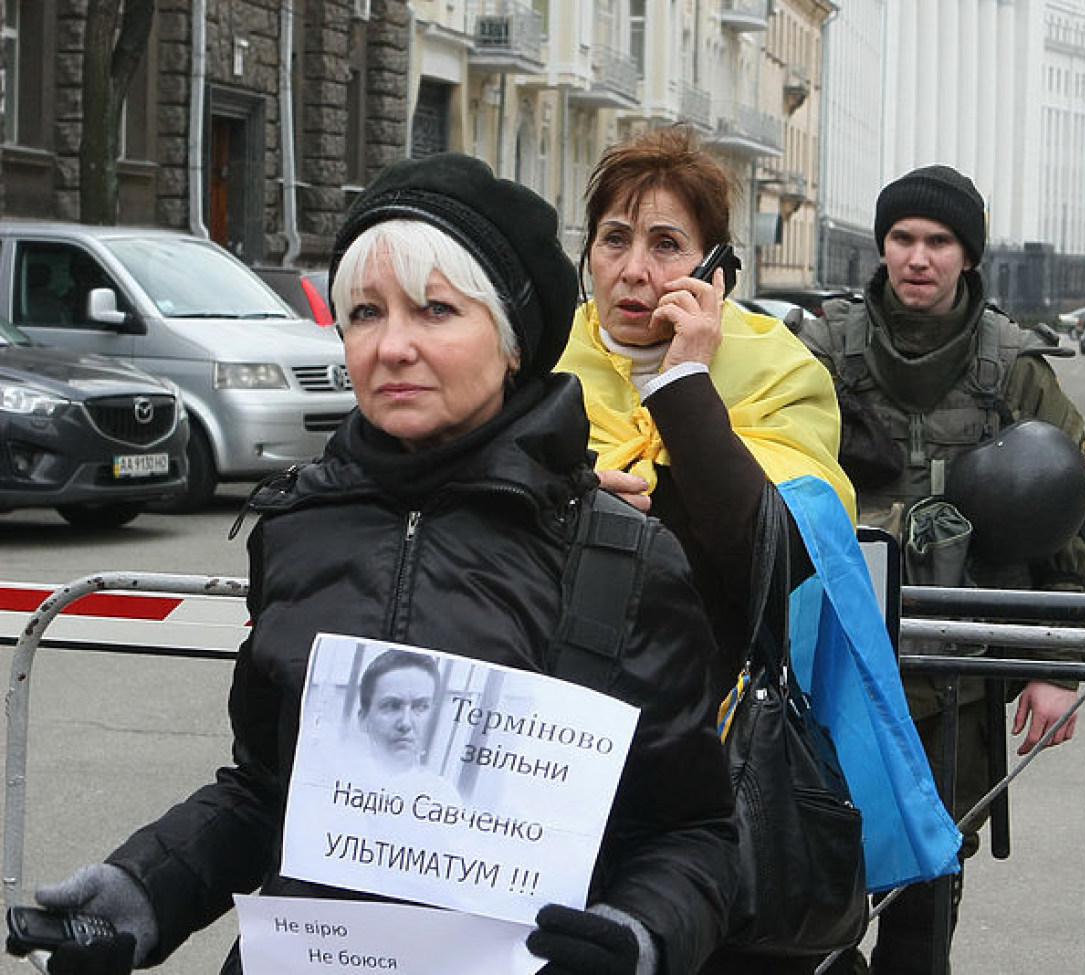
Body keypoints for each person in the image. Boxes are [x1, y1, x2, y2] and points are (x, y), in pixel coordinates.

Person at [20, 153, 739, 975]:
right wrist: (141, 891)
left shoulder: (619, 553)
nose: (392, 345)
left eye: (436, 309)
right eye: (365, 312)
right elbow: (267, 790)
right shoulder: (296, 526)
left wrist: (639, 936)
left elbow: (690, 833)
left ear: (511, 342)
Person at [555, 126, 959, 975]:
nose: (634, 270)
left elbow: (774, 555)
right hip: (559, 764)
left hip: (719, 768)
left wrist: (684, 384)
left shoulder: (777, 370)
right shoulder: (534, 367)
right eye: (614, 240)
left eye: (666, 244)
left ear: (715, 269)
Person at [798, 164, 1085, 974]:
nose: (918, 257)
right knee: (809, 873)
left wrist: (1054, 663)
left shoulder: (1013, 367)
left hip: (955, 675)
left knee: (928, 891)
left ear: (968, 255)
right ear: (883, 246)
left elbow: (1068, 520)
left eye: (939, 241)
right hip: (833, 661)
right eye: (903, 238)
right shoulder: (821, 348)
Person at [355, 648, 438, 773]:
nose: (405, 723)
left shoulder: (442, 792)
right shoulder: (334, 777)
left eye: (421, 707)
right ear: (363, 719)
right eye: (392, 706)